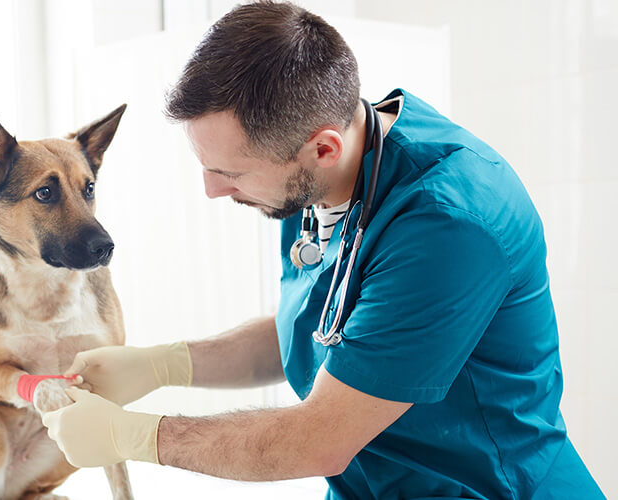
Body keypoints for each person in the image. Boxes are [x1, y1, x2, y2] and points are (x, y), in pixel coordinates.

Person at [39, 2, 605, 499]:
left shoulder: (449, 226)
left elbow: (319, 439)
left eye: (229, 172)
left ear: (322, 148)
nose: (212, 190)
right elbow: (326, 331)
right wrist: (162, 364)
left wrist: (136, 436)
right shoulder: (320, 179)